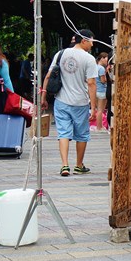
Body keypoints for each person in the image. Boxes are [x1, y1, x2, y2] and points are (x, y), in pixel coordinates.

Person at [41, 29, 98, 176]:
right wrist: (94, 107)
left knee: (63, 133)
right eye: (91, 41)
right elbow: (91, 83)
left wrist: (43, 97)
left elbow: (48, 76)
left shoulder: (60, 54)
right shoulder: (89, 59)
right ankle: (79, 165)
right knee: (82, 135)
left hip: (61, 101)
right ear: (84, 40)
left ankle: (65, 165)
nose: (92, 44)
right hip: (81, 102)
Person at [93, 52, 109, 132]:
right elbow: (103, 81)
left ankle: (98, 126)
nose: (107, 61)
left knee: (97, 109)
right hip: (102, 91)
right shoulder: (101, 69)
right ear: (102, 58)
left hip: (96, 90)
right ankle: (99, 127)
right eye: (106, 59)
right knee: (100, 110)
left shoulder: (95, 67)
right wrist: (108, 79)